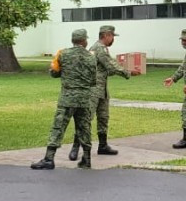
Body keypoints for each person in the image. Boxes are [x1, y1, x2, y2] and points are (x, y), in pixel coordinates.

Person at [65, 24, 140, 162]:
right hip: (93, 90)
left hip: (102, 90)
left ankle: (103, 145)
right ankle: (75, 147)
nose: (113, 39)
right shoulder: (98, 48)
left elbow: (108, 69)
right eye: (112, 36)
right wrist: (128, 72)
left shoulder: (101, 49)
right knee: (86, 119)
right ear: (106, 35)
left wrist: (123, 69)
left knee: (103, 117)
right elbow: (110, 65)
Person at [32, 29, 97, 169]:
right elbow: (93, 81)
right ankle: (86, 158)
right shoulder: (92, 57)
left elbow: (54, 73)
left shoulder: (63, 54)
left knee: (58, 126)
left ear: (73, 40)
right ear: (84, 40)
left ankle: (49, 158)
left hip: (67, 98)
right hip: (84, 98)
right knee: (84, 128)